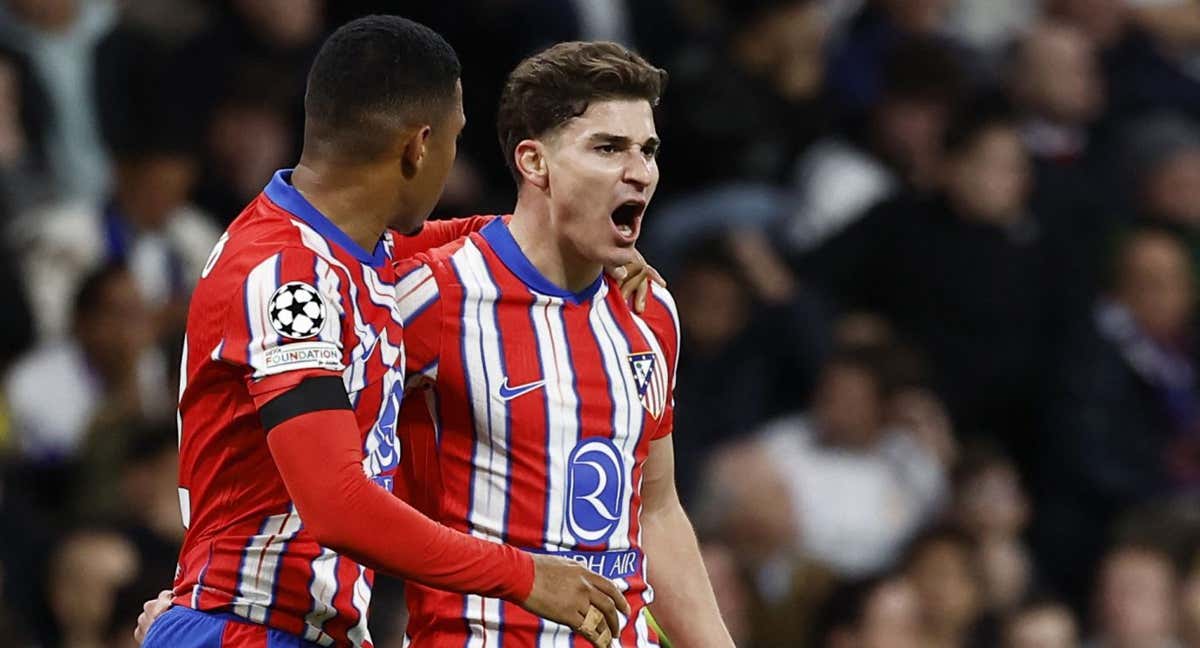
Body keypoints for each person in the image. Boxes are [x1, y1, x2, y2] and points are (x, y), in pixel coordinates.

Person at [139, 17, 632, 648]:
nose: (455, 162)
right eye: (456, 139)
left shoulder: (350, 251)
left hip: (299, 629)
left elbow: (475, 237)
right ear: (418, 146)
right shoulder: (289, 277)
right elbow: (338, 504)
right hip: (249, 627)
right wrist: (524, 575)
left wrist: (582, 237)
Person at [392, 41, 733, 647]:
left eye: (648, 150)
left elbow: (656, 511)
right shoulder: (435, 296)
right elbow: (320, 467)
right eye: (608, 148)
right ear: (534, 162)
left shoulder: (650, 312)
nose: (640, 171)